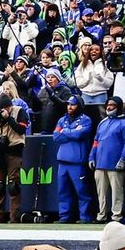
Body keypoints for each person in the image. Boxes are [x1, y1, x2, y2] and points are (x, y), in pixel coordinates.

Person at [0, 81, 30, 223]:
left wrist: (9, 118)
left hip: (14, 151)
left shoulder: (19, 111)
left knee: (13, 185)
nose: (4, 110)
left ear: (10, 105)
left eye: (6, 107)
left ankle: (14, 217)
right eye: (2, 108)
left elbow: (22, 129)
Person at [91, 95, 125, 223]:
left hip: (115, 164)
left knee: (117, 192)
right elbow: (96, 141)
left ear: (119, 107)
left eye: (112, 105)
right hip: (100, 163)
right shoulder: (103, 123)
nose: (109, 107)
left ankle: (116, 216)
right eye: (108, 105)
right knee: (101, 193)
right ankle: (101, 216)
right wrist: (91, 156)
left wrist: (123, 159)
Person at [51, 94, 95, 224]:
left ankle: (85, 217)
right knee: (63, 191)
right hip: (63, 161)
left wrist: (66, 131)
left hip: (77, 161)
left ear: (79, 106)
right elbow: (56, 137)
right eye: (68, 104)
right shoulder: (62, 120)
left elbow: (80, 134)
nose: (69, 107)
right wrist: (71, 132)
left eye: (73, 104)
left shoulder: (86, 120)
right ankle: (65, 216)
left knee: (82, 191)